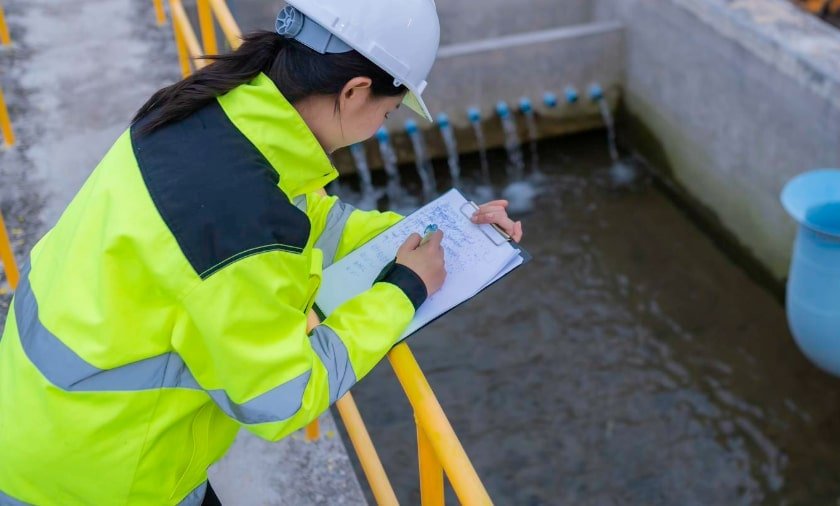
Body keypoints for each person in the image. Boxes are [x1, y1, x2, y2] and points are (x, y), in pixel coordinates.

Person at [0, 1, 522, 504]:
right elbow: (283, 398)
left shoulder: (213, 110)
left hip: (43, 417)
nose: (378, 129)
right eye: (385, 114)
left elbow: (303, 220)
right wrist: (402, 291)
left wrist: (439, 231)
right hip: (92, 480)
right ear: (356, 89)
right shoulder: (240, 220)